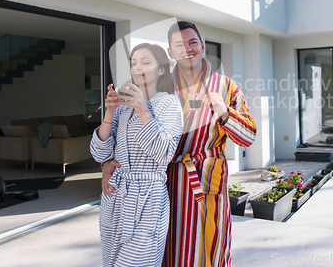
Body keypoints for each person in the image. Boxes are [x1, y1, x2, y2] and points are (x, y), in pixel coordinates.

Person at [162, 21, 256, 267]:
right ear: (171, 52)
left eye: (192, 42)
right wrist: (110, 162)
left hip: (205, 182)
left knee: (207, 250)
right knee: (165, 251)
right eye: (179, 45)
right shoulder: (158, 88)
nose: (187, 49)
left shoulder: (226, 87)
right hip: (165, 184)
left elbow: (248, 137)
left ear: (202, 46)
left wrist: (224, 113)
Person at [91, 43, 183, 267]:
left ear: (162, 69)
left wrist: (143, 110)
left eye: (146, 62)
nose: (137, 68)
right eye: (133, 63)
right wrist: (109, 113)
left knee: (135, 263)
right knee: (111, 262)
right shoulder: (122, 108)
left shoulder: (169, 104)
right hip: (115, 197)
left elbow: (164, 154)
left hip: (148, 199)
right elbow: (100, 153)